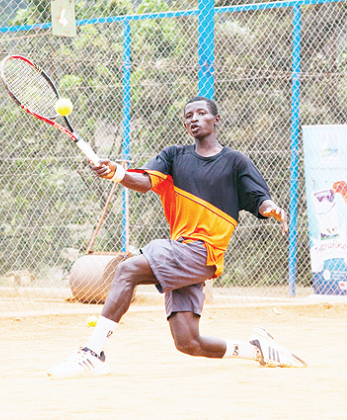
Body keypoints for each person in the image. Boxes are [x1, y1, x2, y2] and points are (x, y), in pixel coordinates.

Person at [47, 96, 306, 378]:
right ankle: (258, 349)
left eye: (201, 113)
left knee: (127, 269)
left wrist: (273, 210)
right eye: (188, 116)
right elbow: (145, 181)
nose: (194, 119)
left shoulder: (234, 162)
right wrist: (116, 172)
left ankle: (92, 353)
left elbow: (258, 198)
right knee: (188, 342)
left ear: (216, 120)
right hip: (183, 252)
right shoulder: (173, 156)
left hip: (203, 252)